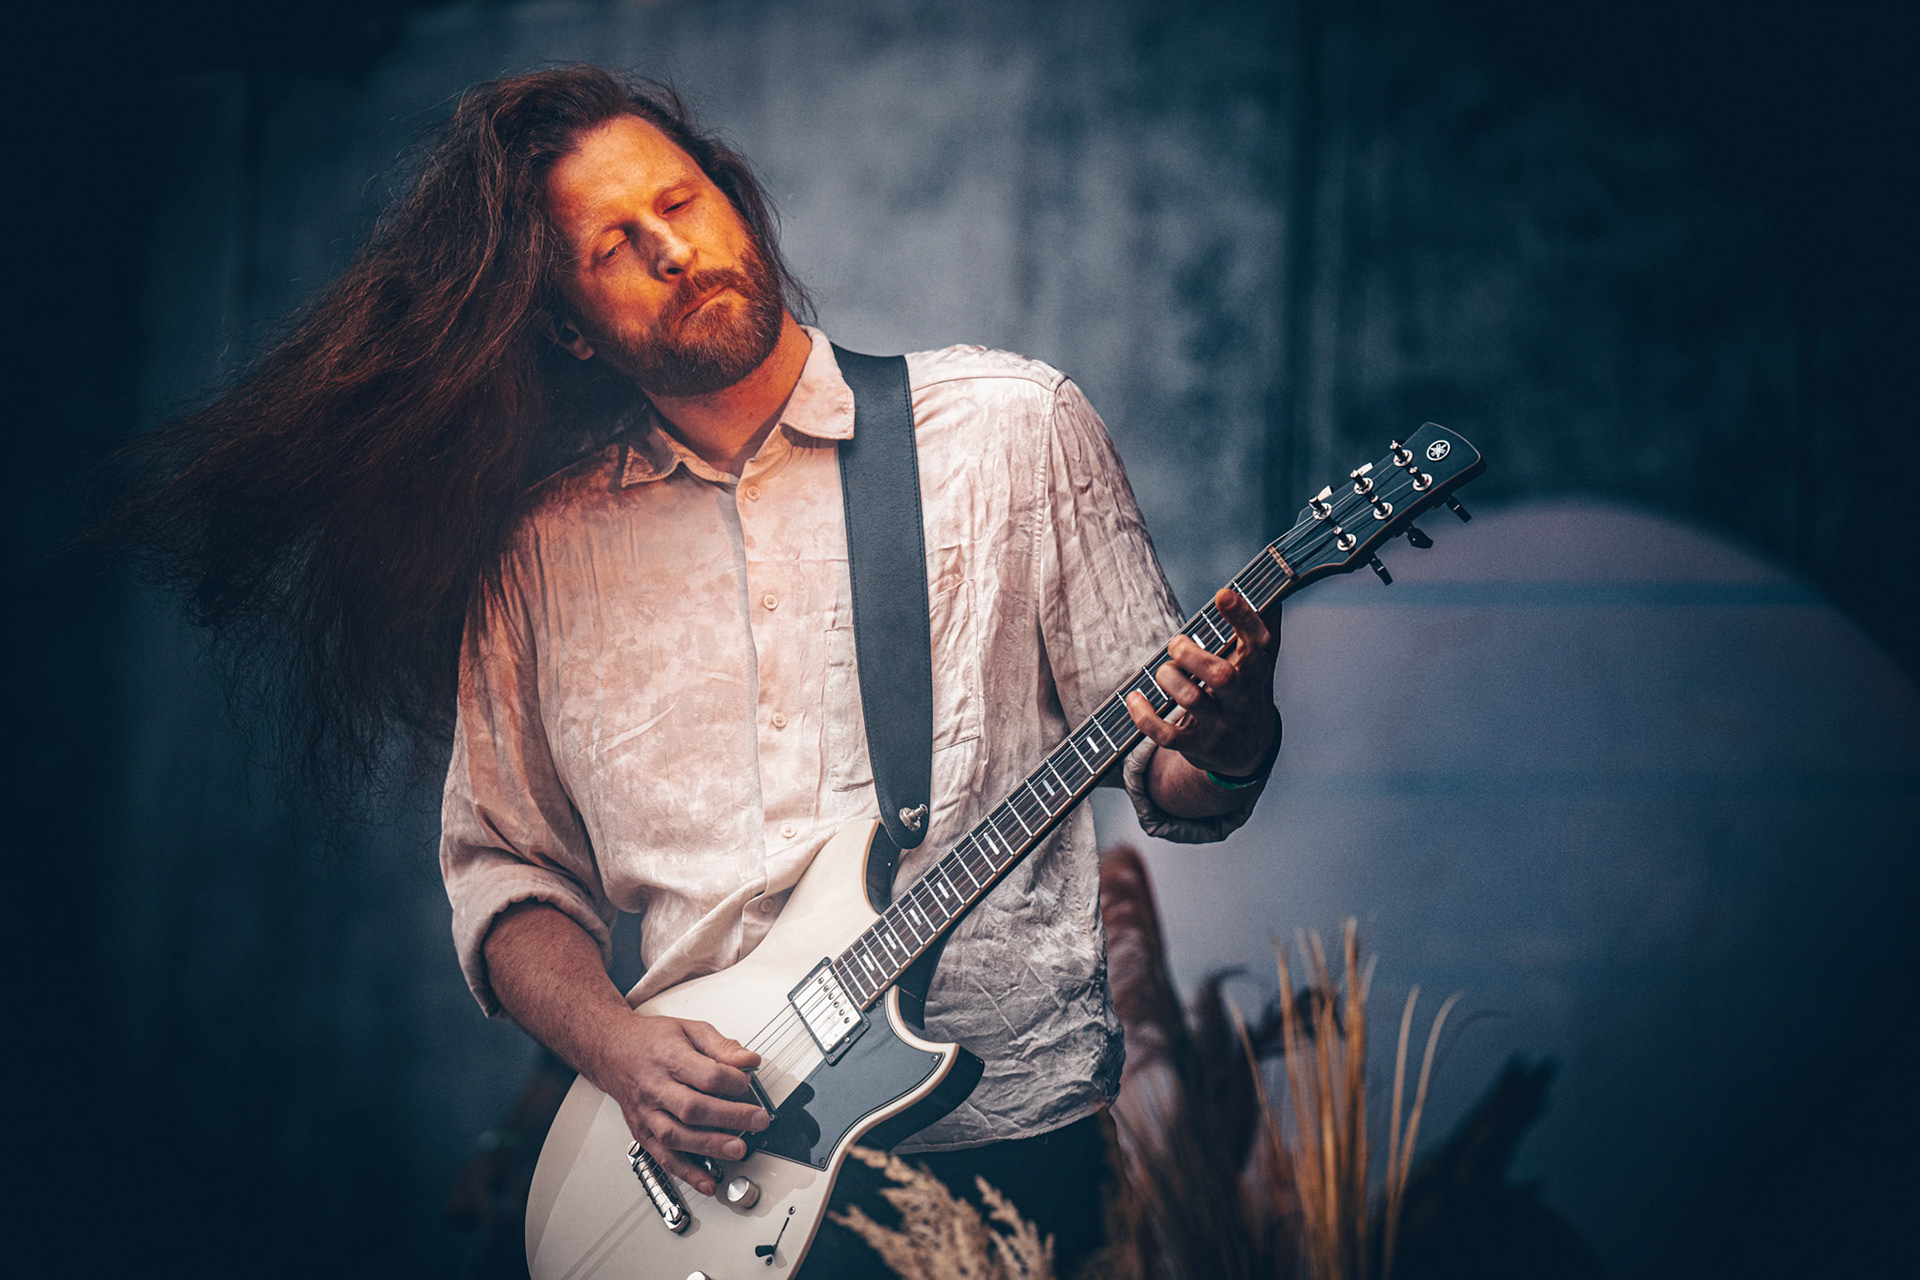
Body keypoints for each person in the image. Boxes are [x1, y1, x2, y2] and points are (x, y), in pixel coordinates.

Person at [106, 66, 1281, 1277]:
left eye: (684, 199)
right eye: (616, 243)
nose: (673, 248)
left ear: (738, 202)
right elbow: (507, 876)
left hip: (1006, 1151)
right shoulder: (541, 551)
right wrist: (617, 1048)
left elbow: (1173, 775)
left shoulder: (1011, 430)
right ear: (567, 322)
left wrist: (1233, 729)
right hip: (701, 1172)